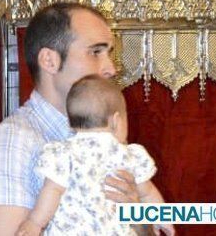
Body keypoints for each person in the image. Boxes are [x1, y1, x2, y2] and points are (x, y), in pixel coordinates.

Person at [0, 2, 142, 235]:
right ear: (50, 61)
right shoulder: (14, 143)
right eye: (95, 52)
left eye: (109, 53)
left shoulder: (99, 136)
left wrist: (137, 214)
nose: (111, 69)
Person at [16, 75, 175, 236]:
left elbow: (52, 191)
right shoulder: (129, 156)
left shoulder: (63, 154)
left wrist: (34, 223)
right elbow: (147, 192)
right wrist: (162, 219)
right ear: (116, 121)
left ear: (70, 123)